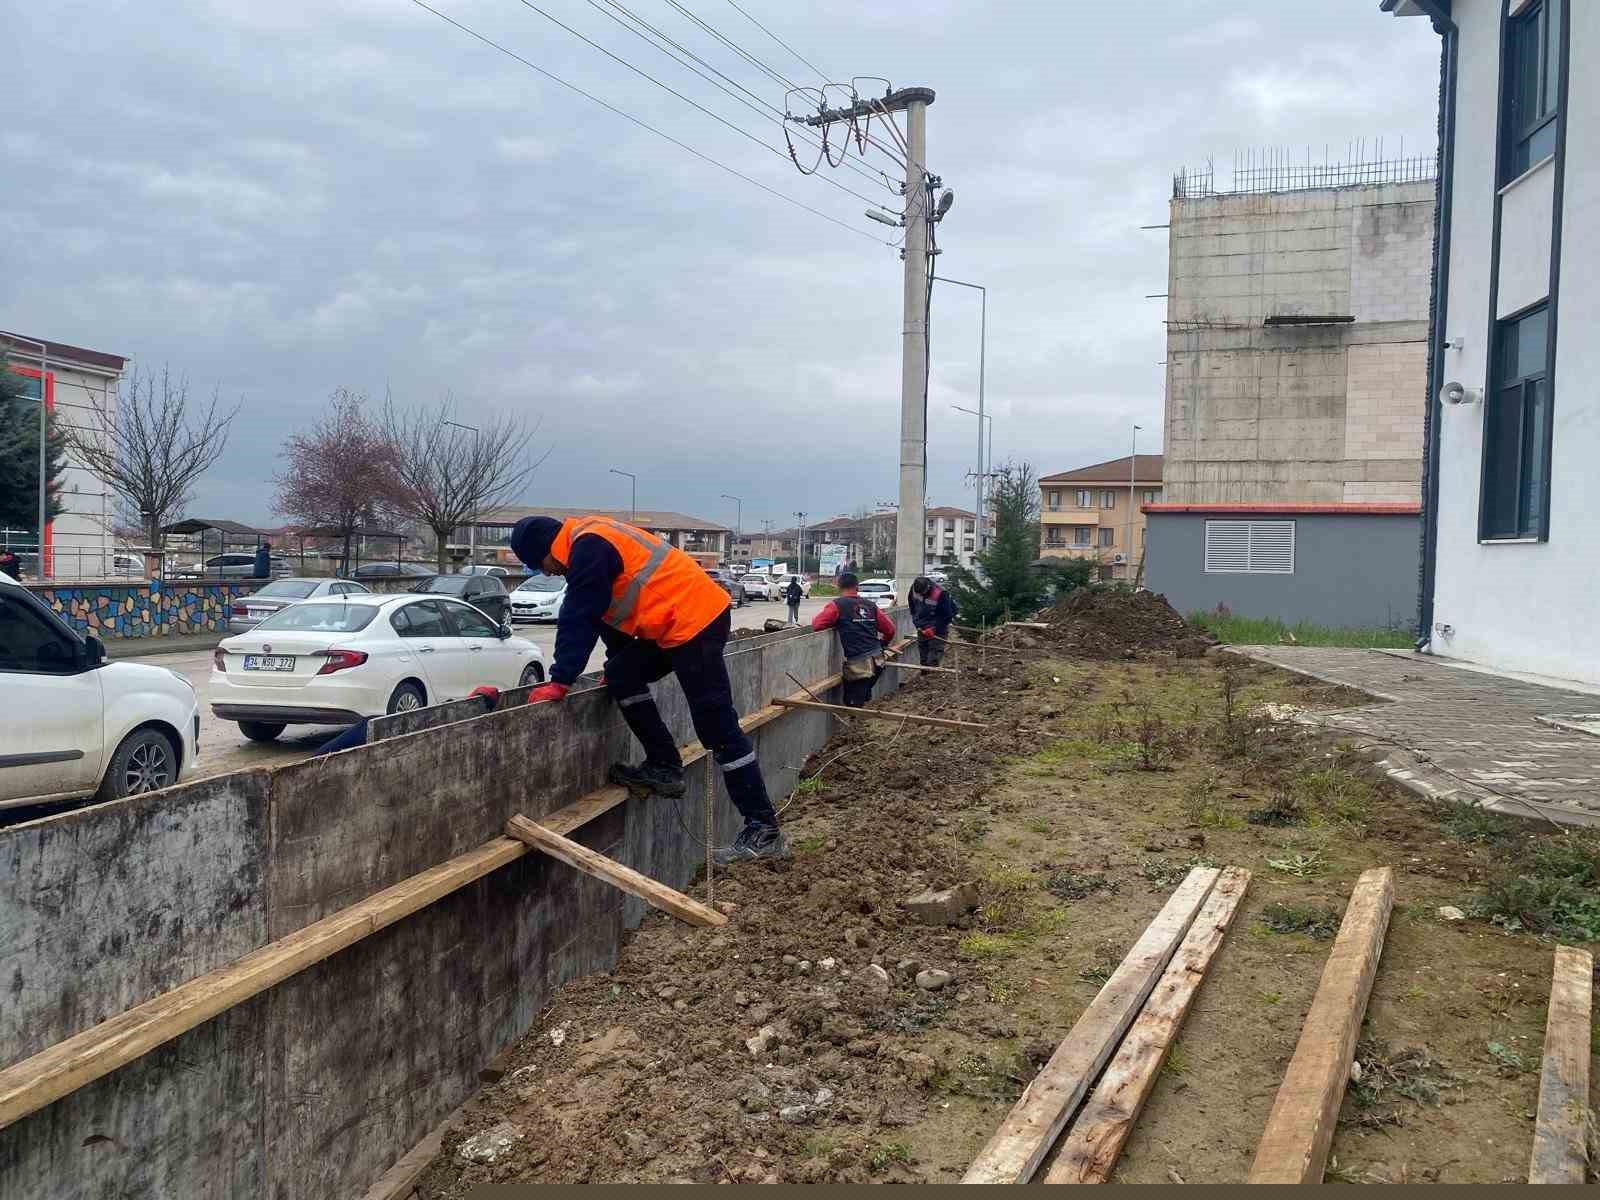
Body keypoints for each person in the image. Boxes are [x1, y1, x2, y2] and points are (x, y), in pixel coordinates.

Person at [510, 513, 786, 864]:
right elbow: (612, 615)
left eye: (541, 565)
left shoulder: (588, 547)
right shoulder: (588, 540)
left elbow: (580, 614)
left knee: (717, 727)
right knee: (622, 673)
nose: (547, 572)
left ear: (546, 548)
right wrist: (620, 662)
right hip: (676, 623)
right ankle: (664, 766)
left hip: (695, 620)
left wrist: (560, 680)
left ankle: (764, 829)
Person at [811, 571, 896, 707]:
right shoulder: (871, 606)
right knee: (861, 696)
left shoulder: (837, 605)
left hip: (859, 666)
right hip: (878, 661)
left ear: (839, 587)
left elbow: (817, 625)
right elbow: (890, 630)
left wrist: (838, 622)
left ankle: (856, 716)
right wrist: (883, 643)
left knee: (852, 703)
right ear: (857, 587)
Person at [908, 575, 957, 667]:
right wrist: (917, 624)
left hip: (938, 630)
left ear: (928, 587)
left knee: (933, 659)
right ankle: (924, 673)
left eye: (922, 593)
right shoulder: (914, 589)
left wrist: (934, 628)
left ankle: (932, 672)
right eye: (919, 593)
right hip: (922, 628)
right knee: (923, 659)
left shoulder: (941, 593)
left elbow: (948, 616)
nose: (921, 595)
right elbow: (912, 608)